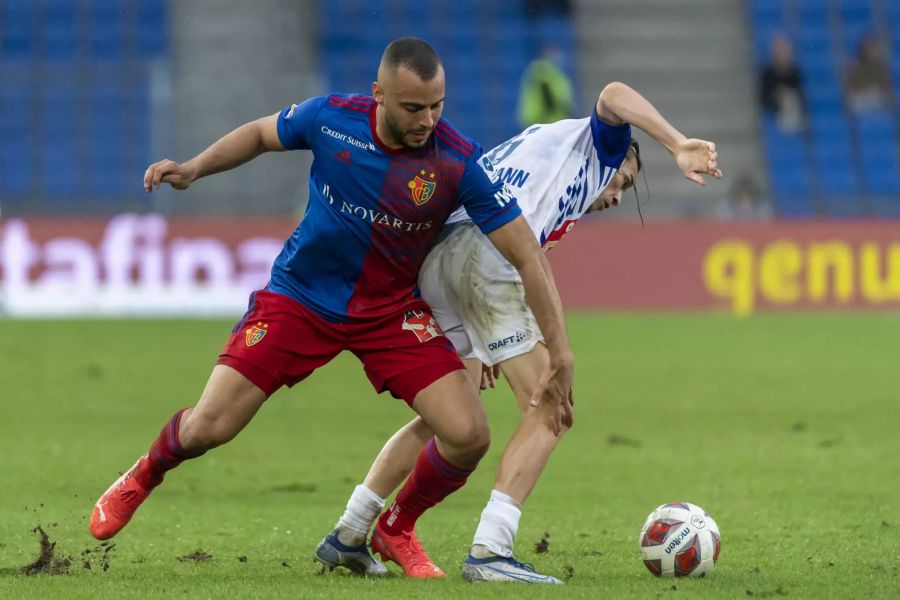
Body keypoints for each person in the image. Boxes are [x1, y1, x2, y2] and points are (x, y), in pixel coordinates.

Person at [88, 38, 575, 581]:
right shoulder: (330, 118)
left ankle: (394, 527)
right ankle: (145, 472)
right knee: (210, 427)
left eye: (437, 106)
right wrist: (194, 168)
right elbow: (258, 134)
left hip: (389, 312)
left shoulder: (457, 161)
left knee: (468, 435)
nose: (427, 120)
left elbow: (527, 254)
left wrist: (560, 352)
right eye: (414, 108)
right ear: (378, 95)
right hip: (300, 298)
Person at [316, 81, 723, 583]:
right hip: (485, 257)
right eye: (625, 180)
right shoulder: (596, 147)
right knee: (550, 406)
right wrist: (677, 142)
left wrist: (482, 337)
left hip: (440, 255)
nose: (618, 194)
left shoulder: (529, 157)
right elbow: (615, 93)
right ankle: (492, 548)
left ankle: (352, 530)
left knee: (449, 414)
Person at [517, 44, 575, 128]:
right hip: (547, 119)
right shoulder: (545, 71)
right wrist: (566, 110)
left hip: (537, 118)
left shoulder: (537, 70)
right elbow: (549, 97)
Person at [759, 35, 806, 133]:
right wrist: (778, 97)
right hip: (774, 111)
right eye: (779, 51)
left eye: (785, 51)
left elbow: (801, 95)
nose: (783, 54)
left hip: (792, 109)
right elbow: (763, 98)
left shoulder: (794, 72)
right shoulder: (768, 73)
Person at [845, 34, 894, 114]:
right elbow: (852, 87)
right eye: (868, 47)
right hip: (861, 97)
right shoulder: (855, 65)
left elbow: (886, 85)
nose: (871, 50)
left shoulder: (880, 65)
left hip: (876, 96)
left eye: (873, 47)